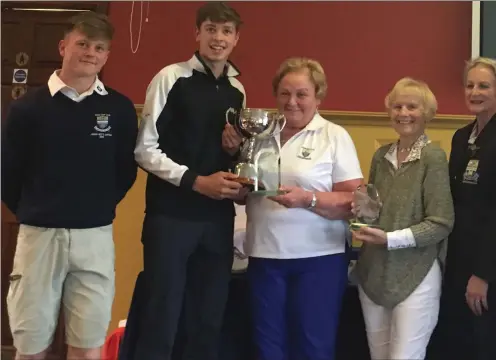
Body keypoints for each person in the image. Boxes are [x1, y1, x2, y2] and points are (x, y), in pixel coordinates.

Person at [1, 11, 138, 360]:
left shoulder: (119, 109)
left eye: (99, 47)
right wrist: (38, 209)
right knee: (30, 343)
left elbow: (125, 171)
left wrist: (94, 206)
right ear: (63, 46)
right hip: (39, 235)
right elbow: (8, 173)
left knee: (88, 342)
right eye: (82, 44)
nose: (90, 52)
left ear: (107, 55)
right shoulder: (27, 109)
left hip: (94, 237)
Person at [131, 2, 246, 360]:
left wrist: (234, 151)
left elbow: (230, 154)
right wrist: (197, 182)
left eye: (226, 31)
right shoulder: (170, 77)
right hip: (171, 218)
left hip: (217, 221)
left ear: (236, 38)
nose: (218, 38)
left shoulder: (237, 90)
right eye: (211, 29)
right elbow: (145, 150)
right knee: (162, 317)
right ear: (197, 33)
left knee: (208, 319)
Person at [231, 57, 363, 360]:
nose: (292, 102)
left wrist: (308, 199)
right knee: (268, 347)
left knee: (313, 346)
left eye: (301, 94)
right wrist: (237, 189)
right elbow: (244, 194)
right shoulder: (259, 135)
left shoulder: (334, 136)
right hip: (264, 254)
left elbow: (355, 200)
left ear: (318, 96)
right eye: (284, 94)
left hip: (319, 258)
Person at [351, 78, 454, 360]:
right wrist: (361, 212)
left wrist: (390, 239)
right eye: (397, 106)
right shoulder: (381, 155)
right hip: (373, 273)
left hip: (416, 274)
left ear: (427, 113)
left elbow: (441, 222)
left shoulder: (433, 157)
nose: (403, 113)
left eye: (412, 106)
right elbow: (375, 212)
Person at [428, 57, 496, 360]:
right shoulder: (461, 137)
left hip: (487, 265)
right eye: (469, 85)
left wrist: (482, 275)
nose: (474, 92)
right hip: (458, 258)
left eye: (484, 86)